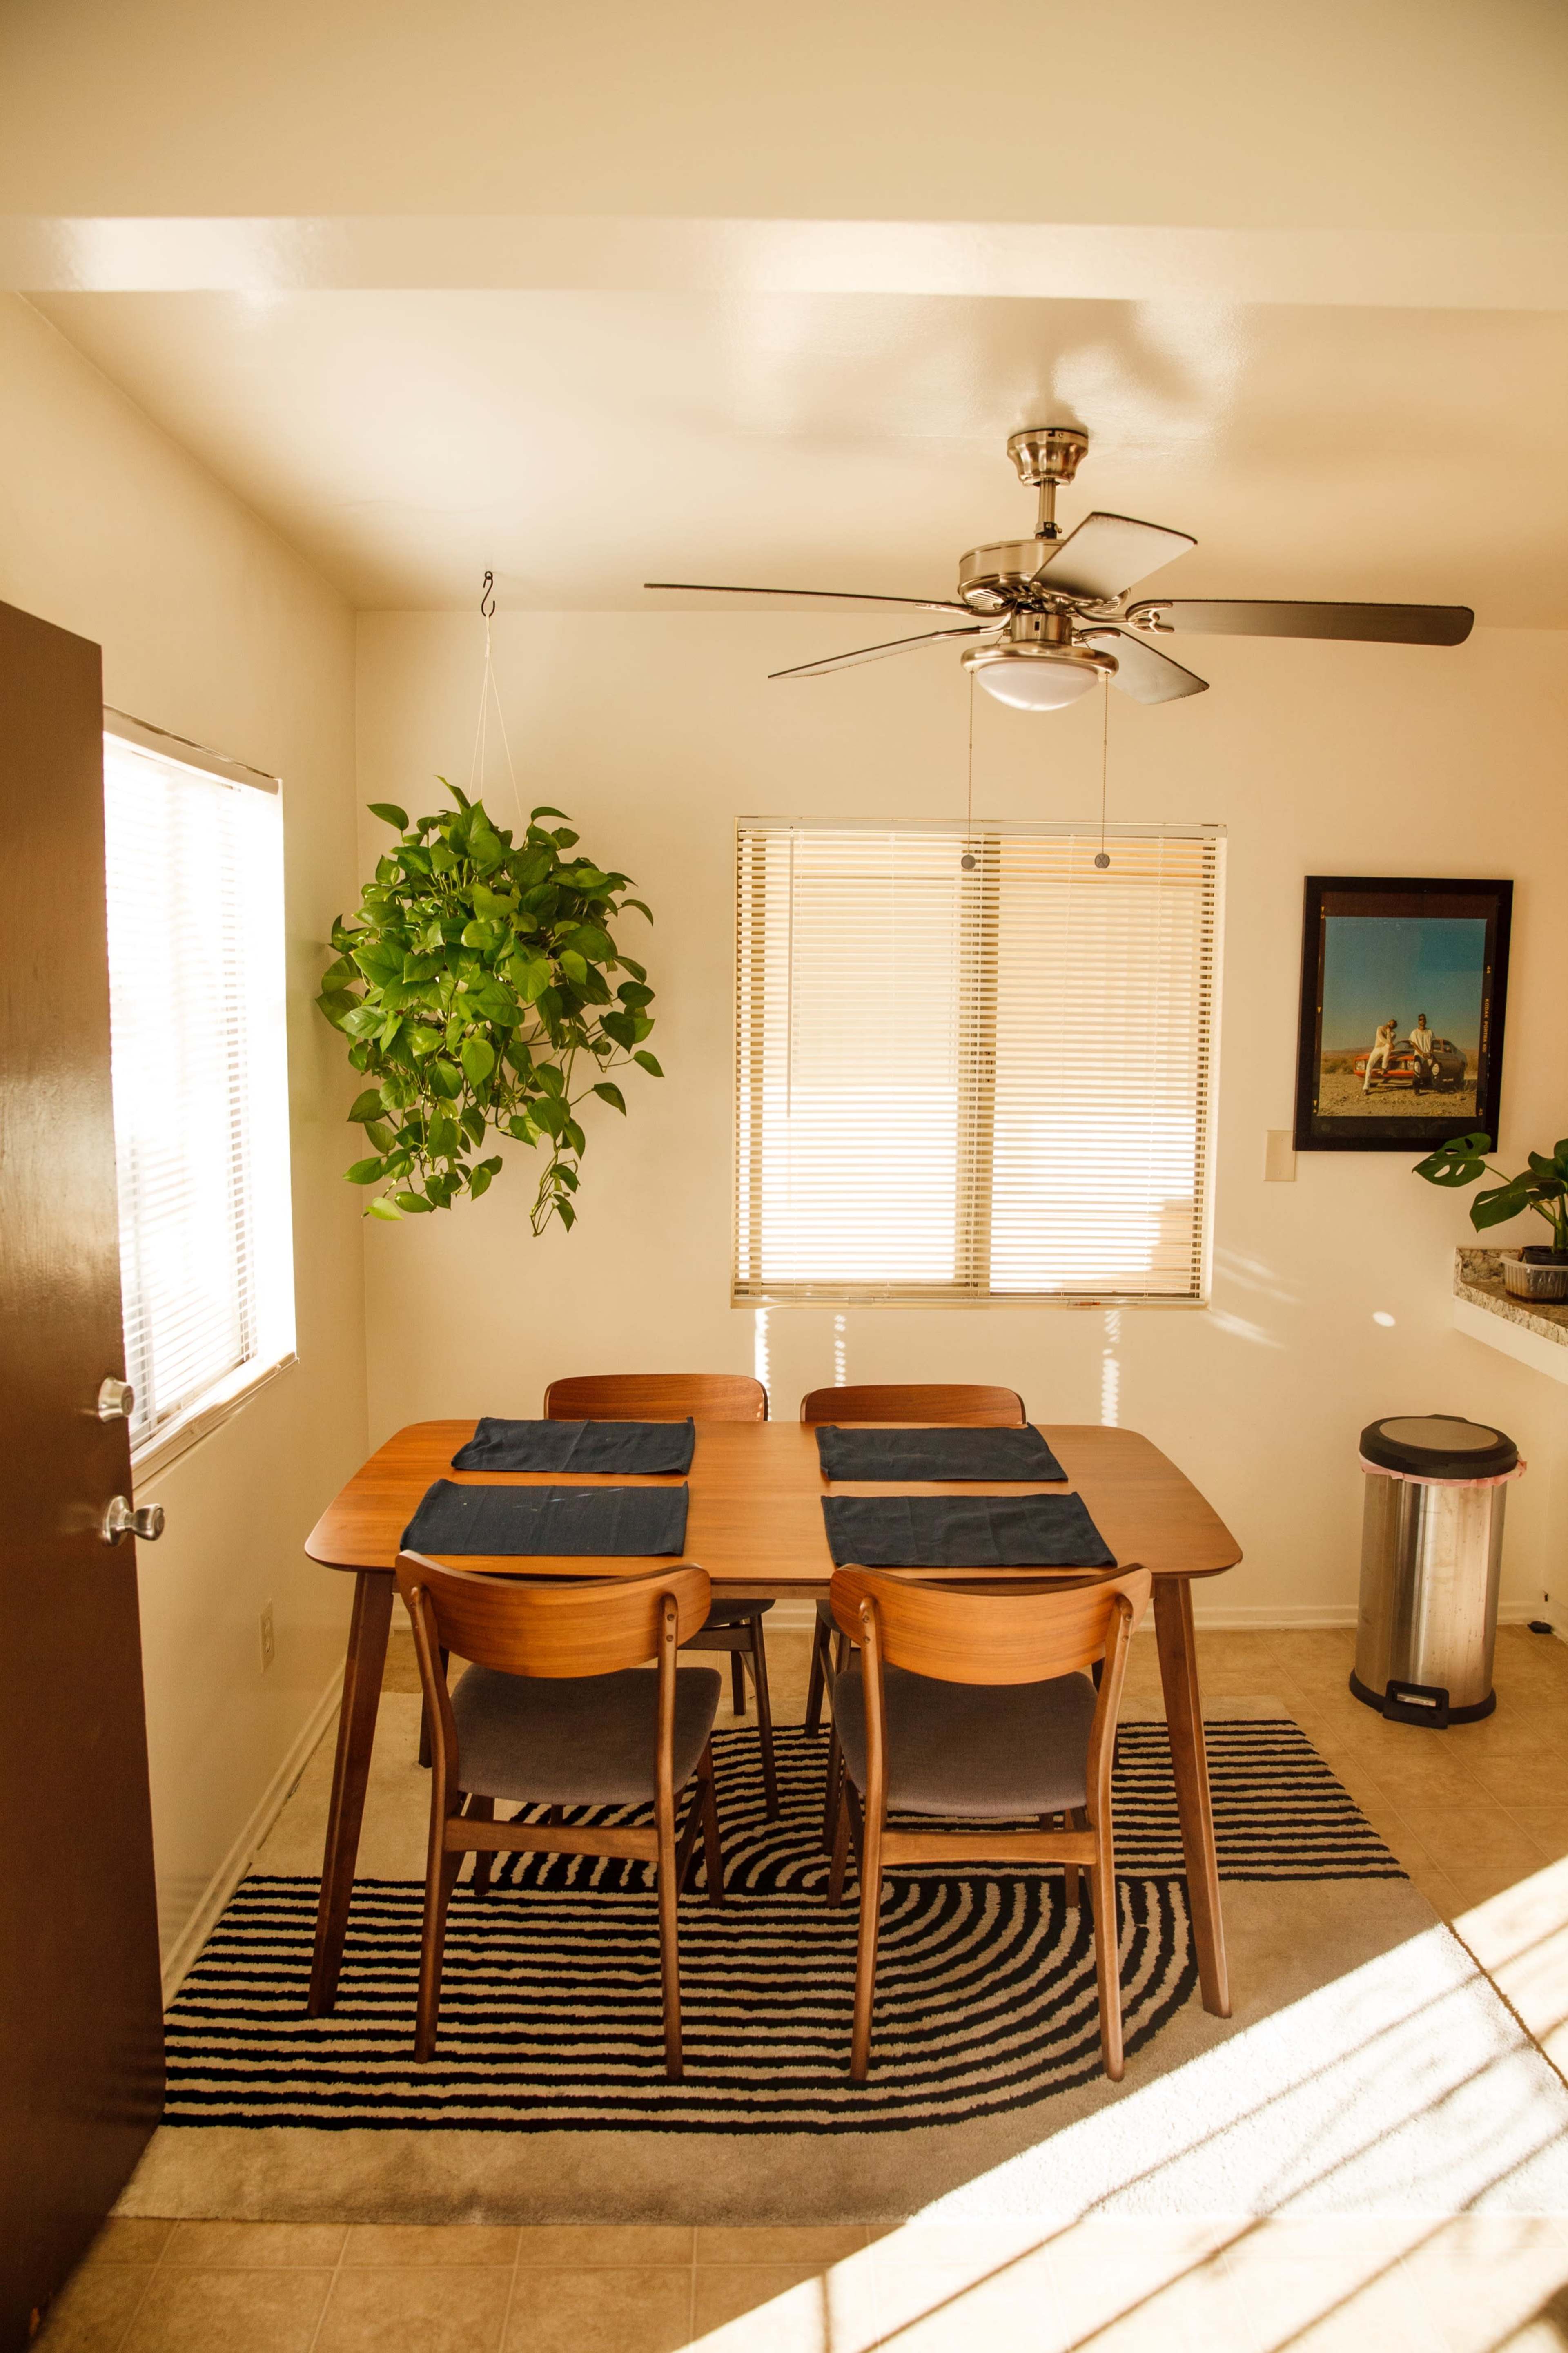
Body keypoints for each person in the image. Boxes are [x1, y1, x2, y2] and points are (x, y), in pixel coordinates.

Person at [1362, 1016, 1399, 1094]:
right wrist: (1391, 1044)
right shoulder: (1380, 1028)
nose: (1389, 1024)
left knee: (1388, 1046)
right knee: (1369, 1066)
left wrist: (1389, 1032)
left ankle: (1384, 1068)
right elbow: (1381, 1038)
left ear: (1393, 1027)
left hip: (1385, 1049)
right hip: (1377, 1049)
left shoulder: (1394, 1034)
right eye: (1389, 1022)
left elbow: (1389, 1041)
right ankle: (1366, 1087)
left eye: (1391, 1025)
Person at [1410, 1011, 1435, 1092]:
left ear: (1426, 1021)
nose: (1422, 1021)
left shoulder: (1430, 1032)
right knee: (1417, 1069)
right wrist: (1422, 1054)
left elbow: (1433, 1043)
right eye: (1421, 1020)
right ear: (1418, 1021)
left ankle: (1438, 1088)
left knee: (1436, 1068)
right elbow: (1414, 1045)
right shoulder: (1414, 1033)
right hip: (1419, 1055)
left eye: (1424, 1020)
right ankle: (1416, 1090)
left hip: (1429, 1055)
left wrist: (1430, 1053)